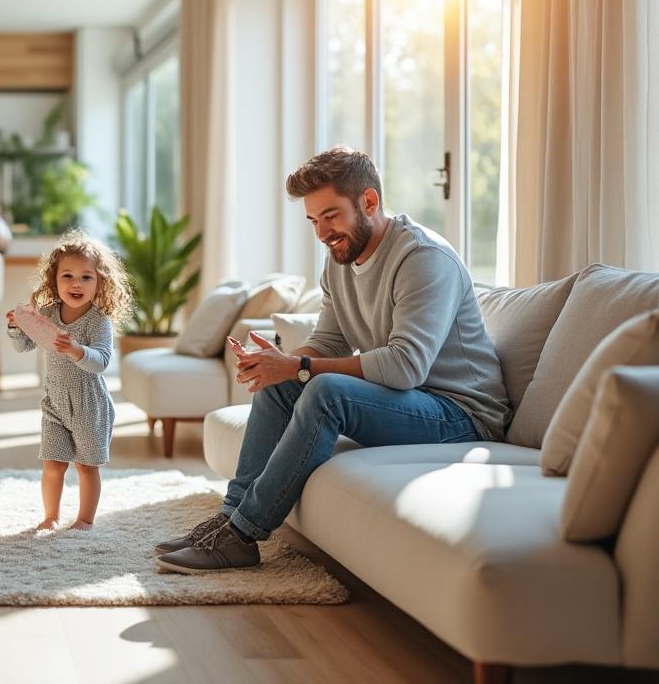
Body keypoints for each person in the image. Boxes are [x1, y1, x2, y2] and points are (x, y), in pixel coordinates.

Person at [154, 147, 510, 574]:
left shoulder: (423, 257)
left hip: (461, 415)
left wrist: (300, 368)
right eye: (314, 221)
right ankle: (229, 519)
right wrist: (281, 362)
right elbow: (328, 341)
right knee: (283, 381)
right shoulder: (339, 259)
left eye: (331, 215)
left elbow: (405, 366)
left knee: (324, 390)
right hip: (409, 401)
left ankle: (244, 534)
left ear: (369, 202)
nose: (323, 232)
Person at [7, 230, 131, 531]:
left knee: (86, 466)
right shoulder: (48, 313)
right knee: (52, 463)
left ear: (100, 282)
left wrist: (77, 350)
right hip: (55, 403)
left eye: (86, 277)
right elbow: (24, 346)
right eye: (68, 276)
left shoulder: (97, 320)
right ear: (54, 280)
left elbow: (101, 361)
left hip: (90, 404)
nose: (76, 284)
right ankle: (51, 516)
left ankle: (85, 519)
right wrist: (16, 326)